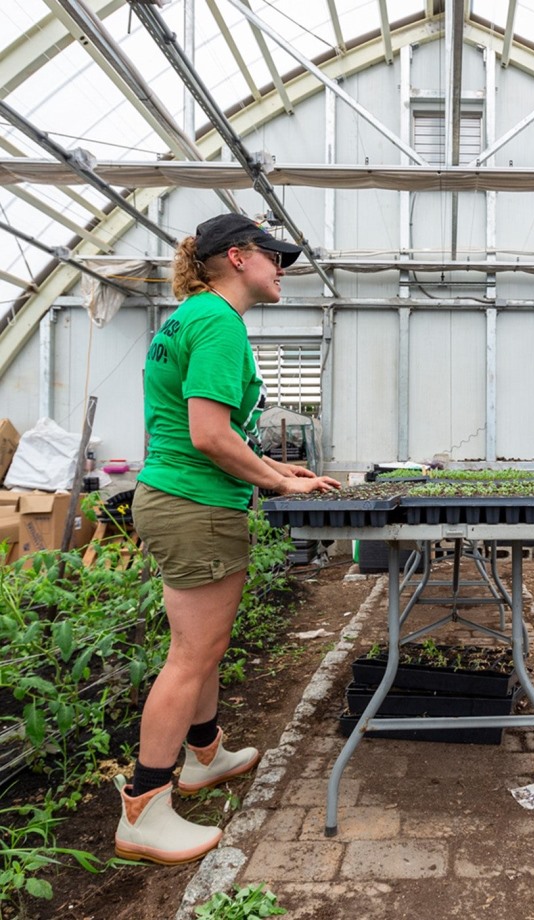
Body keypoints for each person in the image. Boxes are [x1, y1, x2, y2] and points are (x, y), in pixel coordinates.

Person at [114, 213, 341, 864]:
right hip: (195, 504)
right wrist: (280, 487)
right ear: (239, 257)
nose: (283, 270)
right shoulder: (218, 322)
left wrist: (273, 468)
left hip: (180, 497)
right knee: (191, 654)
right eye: (276, 258)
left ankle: (204, 756)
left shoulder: (191, 315)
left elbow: (209, 431)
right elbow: (209, 435)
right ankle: (145, 808)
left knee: (203, 648)